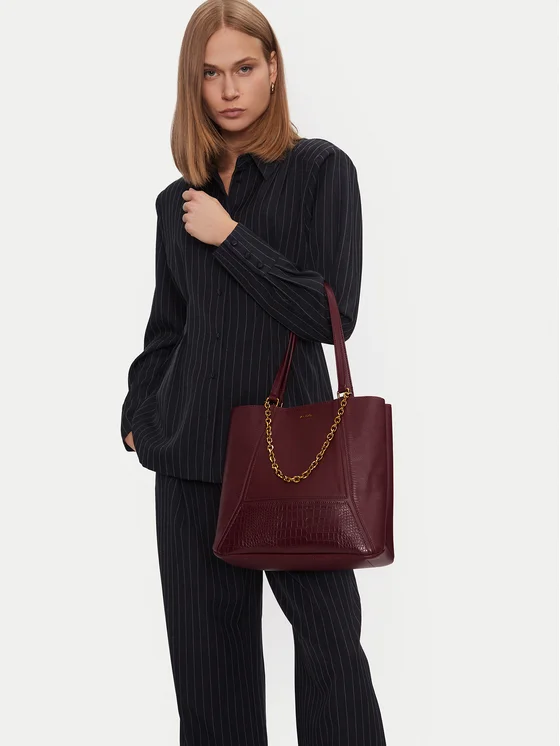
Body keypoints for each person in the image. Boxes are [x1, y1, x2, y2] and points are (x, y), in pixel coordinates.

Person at [120, 1, 387, 744]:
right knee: (210, 683)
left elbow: (330, 311)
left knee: (332, 654)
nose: (229, 89)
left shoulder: (321, 170)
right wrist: (138, 419)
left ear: (273, 69)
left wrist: (232, 238)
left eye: (244, 67)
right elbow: (165, 333)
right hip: (190, 461)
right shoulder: (177, 203)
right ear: (194, 84)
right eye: (211, 74)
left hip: (293, 455)